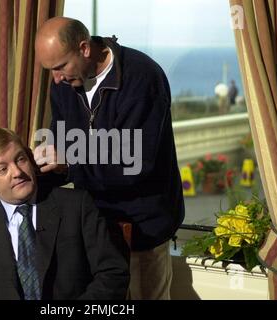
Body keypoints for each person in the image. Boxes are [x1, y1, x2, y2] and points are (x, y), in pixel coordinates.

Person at [34, 17, 185, 300]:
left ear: (84, 48)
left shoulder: (143, 78)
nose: (56, 79)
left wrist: (70, 162)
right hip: (93, 228)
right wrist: (36, 166)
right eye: (50, 70)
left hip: (143, 228)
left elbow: (134, 163)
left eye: (60, 67)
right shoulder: (63, 83)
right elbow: (61, 140)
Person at [0, 127, 129, 300]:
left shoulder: (76, 205)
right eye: (3, 169)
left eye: (20, 159)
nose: (17, 172)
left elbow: (112, 273)